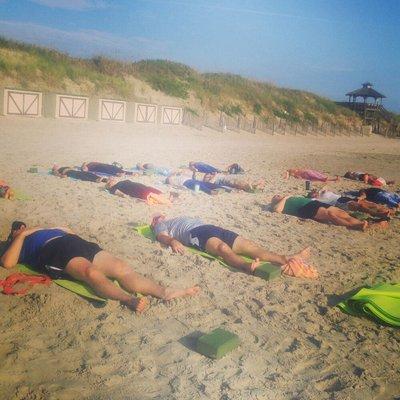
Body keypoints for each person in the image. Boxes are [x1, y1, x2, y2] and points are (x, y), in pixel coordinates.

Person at [1, 221, 200, 313]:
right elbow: (8, 263)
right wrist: (21, 236)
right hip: (54, 251)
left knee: (122, 268)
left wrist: (51, 228)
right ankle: (128, 299)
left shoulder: (42, 228)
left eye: (22, 226)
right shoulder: (21, 242)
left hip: (76, 242)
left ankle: (164, 292)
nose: (21, 227)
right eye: (17, 228)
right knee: (90, 273)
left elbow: (69, 229)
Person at [151, 215, 317, 278]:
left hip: (211, 226)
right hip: (195, 234)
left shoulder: (176, 217)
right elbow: (162, 237)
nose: (160, 216)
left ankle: (285, 258)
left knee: (250, 247)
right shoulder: (160, 224)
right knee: (222, 249)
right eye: (156, 217)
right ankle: (246, 266)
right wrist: (173, 241)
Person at [270, 194, 388, 231]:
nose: (277, 195)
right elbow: (276, 211)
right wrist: (284, 198)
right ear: (274, 201)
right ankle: (357, 225)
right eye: (275, 197)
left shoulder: (290, 197)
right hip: (307, 208)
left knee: (341, 213)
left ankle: (362, 223)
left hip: (314, 203)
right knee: (330, 215)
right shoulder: (281, 204)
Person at [309, 189, 393, 218]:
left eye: (314, 191)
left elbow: (325, 187)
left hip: (344, 197)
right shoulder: (315, 199)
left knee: (370, 204)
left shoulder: (322, 193)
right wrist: (312, 196)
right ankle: (376, 214)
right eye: (312, 193)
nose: (314, 192)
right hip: (338, 202)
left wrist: (319, 191)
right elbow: (309, 199)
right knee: (359, 206)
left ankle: (387, 212)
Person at [106, 178, 173, 205]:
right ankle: (167, 202)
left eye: (111, 179)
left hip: (138, 186)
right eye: (109, 181)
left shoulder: (119, 182)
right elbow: (117, 192)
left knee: (150, 189)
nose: (111, 180)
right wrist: (124, 195)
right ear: (109, 185)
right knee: (149, 193)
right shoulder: (114, 187)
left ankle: (166, 198)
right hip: (133, 189)